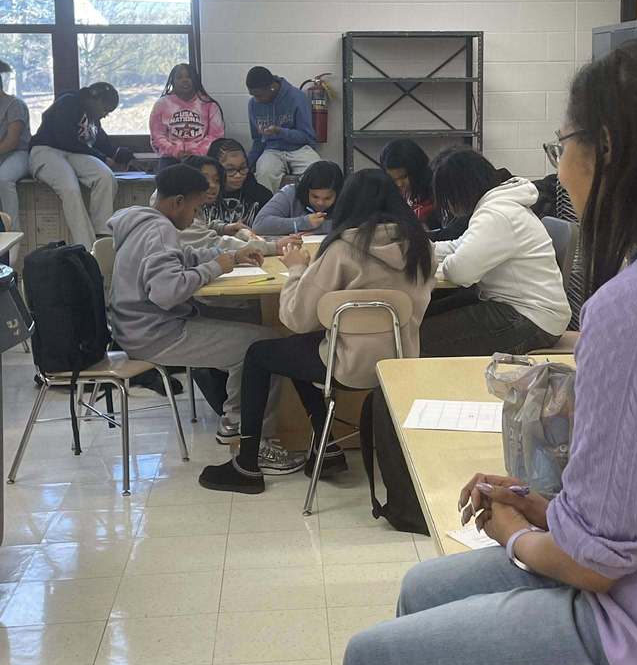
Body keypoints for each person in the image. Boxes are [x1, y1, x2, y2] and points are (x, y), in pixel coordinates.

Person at [329, 39, 637, 665]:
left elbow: (594, 560)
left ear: (607, 151)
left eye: (561, 142)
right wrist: (545, 505)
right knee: (421, 589)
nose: (559, 163)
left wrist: (512, 531)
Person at [198, 169, 436, 494]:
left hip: (347, 364)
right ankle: (328, 448)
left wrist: (297, 268)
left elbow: (297, 317)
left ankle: (247, 464)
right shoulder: (422, 247)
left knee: (261, 354)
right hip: (401, 361)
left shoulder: (342, 249)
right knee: (297, 348)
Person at [108, 164, 304, 473]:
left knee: (253, 325)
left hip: (137, 326)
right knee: (267, 346)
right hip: (155, 333)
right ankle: (256, 443)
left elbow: (183, 257)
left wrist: (230, 257)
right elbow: (167, 293)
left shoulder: (142, 220)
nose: (196, 217)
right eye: (197, 208)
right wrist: (218, 267)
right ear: (178, 202)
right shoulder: (159, 231)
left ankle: (235, 422)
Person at [420, 149, 570, 357]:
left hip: (531, 319)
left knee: (420, 339)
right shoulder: (497, 205)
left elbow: (461, 273)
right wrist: (423, 251)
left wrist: (438, 263)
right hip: (526, 310)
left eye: (447, 198)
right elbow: (459, 247)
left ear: (460, 191)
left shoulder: (496, 214)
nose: (448, 206)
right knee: (424, 323)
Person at [29, 82, 134, 250]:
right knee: (69, 188)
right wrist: (101, 157)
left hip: (72, 154)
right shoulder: (68, 102)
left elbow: (104, 145)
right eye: (105, 109)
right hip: (46, 150)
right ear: (95, 99)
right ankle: (87, 247)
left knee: (105, 176)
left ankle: (102, 236)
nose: (105, 115)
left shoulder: (93, 120)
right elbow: (65, 139)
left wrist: (124, 155)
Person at [246, 66, 320, 192]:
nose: (256, 100)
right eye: (253, 95)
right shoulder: (253, 104)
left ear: (272, 87)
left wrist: (279, 131)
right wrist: (247, 164)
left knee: (317, 172)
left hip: (299, 148)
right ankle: (269, 210)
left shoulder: (297, 97)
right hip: (272, 149)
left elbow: (308, 137)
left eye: (259, 95)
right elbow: (257, 140)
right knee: (264, 173)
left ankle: (308, 210)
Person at [149, 62, 225, 170]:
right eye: (179, 77)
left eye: (189, 77)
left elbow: (215, 136)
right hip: (170, 158)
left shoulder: (209, 105)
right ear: (173, 81)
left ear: (195, 80)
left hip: (202, 158)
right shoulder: (161, 104)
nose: (185, 80)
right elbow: (157, 136)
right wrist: (175, 151)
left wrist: (196, 152)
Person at [253, 160, 343, 236]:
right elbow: (259, 225)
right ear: (306, 190)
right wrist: (304, 223)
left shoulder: (345, 196)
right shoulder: (290, 193)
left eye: (327, 198)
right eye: (315, 196)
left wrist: (321, 228)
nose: (320, 202)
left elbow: (354, 224)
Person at [207, 137, 272, 230]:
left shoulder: (261, 196)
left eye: (243, 168)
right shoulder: (202, 196)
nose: (238, 175)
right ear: (214, 169)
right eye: (230, 170)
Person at [0, 60, 31, 231]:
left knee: (3, 179)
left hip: (18, 154)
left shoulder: (14, 105)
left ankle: (13, 234)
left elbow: (11, 142)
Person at [380, 139, 438, 227]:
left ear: (417, 171)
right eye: (392, 179)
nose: (399, 184)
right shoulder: (388, 194)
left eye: (404, 177)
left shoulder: (436, 194)